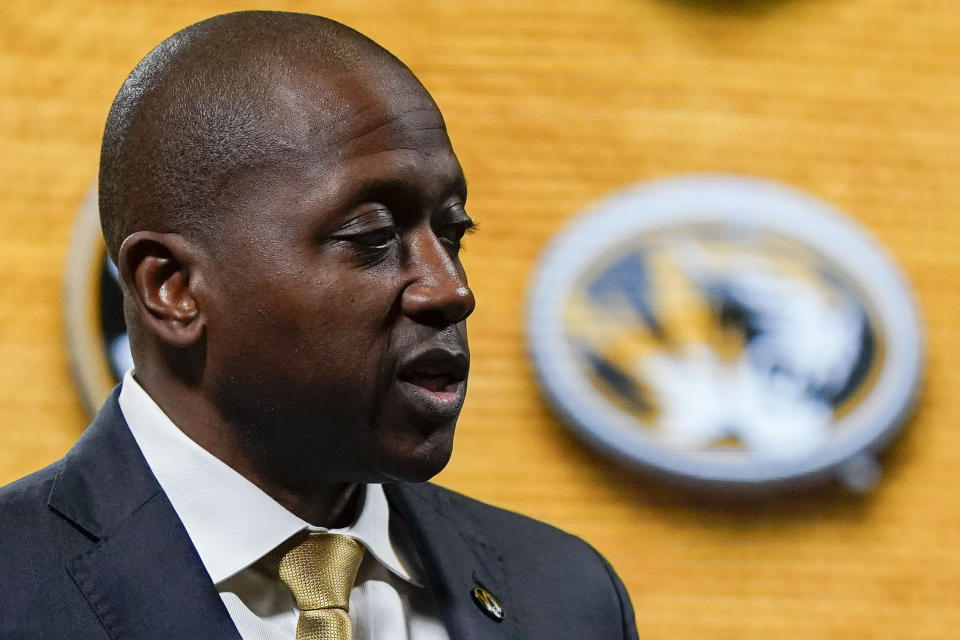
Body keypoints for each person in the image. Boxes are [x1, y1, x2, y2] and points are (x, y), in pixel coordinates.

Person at [0, 11, 639, 640]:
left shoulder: (568, 596)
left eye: (453, 234)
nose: (451, 290)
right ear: (172, 288)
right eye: (373, 236)